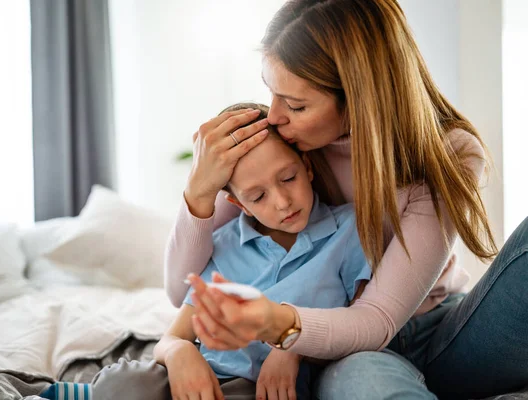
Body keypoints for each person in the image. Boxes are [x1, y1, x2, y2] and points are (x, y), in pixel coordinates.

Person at [164, 1, 528, 399]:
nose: (274, 115)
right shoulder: (281, 143)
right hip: (347, 351)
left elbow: (377, 318)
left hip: (440, 331)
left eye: (297, 105)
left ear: (359, 97)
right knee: (366, 381)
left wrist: (282, 330)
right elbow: (179, 289)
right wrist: (198, 192)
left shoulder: (449, 152)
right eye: (272, 92)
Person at [38, 103, 371, 400]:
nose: (282, 202)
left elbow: (358, 327)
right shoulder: (225, 244)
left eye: (288, 178)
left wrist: (293, 348)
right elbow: (170, 339)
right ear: (241, 205)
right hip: (198, 378)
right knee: (126, 385)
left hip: (256, 388)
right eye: (257, 197)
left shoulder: (347, 232)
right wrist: (182, 352)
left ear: (308, 167)